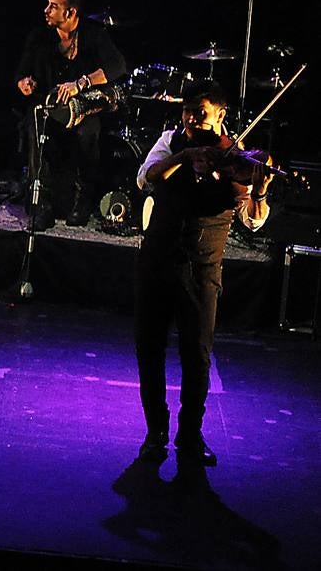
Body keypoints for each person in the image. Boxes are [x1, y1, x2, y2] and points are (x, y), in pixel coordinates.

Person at [133, 80, 270, 466]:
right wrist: (187, 153)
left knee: (197, 356)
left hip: (202, 269)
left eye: (201, 113)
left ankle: (190, 434)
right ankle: (155, 432)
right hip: (158, 263)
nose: (191, 119)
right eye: (188, 111)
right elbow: (146, 177)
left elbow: (253, 221)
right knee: (149, 349)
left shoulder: (235, 157)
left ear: (221, 115)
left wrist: (259, 191)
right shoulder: (170, 141)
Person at [14, 0, 127, 228]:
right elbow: (22, 72)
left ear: (70, 12)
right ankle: (42, 204)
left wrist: (81, 83)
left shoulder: (94, 35)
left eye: (53, 6)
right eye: (48, 4)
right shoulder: (39, 37)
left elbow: (117, 66)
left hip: (82, 108)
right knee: (36, 123)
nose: (46, 10)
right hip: (48, 105)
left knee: (88, 131)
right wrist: (25, 83)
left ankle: (82, 199)